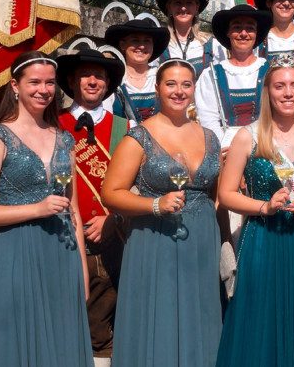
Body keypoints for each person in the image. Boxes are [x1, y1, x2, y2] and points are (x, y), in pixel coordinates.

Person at [0, 52, 93, 367]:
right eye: (34, 81)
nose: (43, 90)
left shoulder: (64, 140)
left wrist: (83, 272)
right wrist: (36, 209)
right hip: (17, 252)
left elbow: (72, 208)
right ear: (15, 86)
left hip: (62, 253)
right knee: (21, 343)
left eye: (50, 82)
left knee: (62, 343)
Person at [216, 55, 294, 367]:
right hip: (261, 240)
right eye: (280, 86)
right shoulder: (247, 136)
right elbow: (226, 194)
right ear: (268, 92)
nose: (288, 93)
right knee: (260, 320)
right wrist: (264, 206)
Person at [103, 59, 225, 367]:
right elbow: (111, 193)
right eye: (171, 84)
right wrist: (153, 205)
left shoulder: (210, 136)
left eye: (186, 84)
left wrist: (224, 241)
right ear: (157, 89)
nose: (179, 91)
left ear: (194, 89)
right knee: (161, 314)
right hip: (155, 240)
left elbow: (217, 195)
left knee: (201, 313)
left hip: (201, 240)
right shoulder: (138, 136)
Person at [56, 47, 130, 364]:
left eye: (99, 76)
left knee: (103, 324)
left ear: (107, 84)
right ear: (72, 81)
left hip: (113, 238)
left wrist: (111, 218)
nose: (92, 80)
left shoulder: (124, 129)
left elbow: (136, 184)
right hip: (64, 238)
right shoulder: (53, 126)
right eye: (85, 74)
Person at [194, 4, 272, 146]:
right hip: (226, 148)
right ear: (228, 33)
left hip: (266, 145)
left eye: (250, 28)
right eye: (237, 27)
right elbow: (208, 119)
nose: (243, 33)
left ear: (256, 34)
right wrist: (226, 148)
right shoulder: (211, 74)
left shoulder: (271, 71)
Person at [104, 16, 169, 122]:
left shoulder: (162, 76)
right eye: (135, 40)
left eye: (147, 41)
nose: (142, 46)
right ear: (123, 45)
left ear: (153, 46)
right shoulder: (114, 79)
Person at [156, 0, 214, 78]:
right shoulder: (159, 44)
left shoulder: (209, 43)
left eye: (189, 2)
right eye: (177, 2)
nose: (183, 8)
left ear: (197, 7)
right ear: (169, 7)